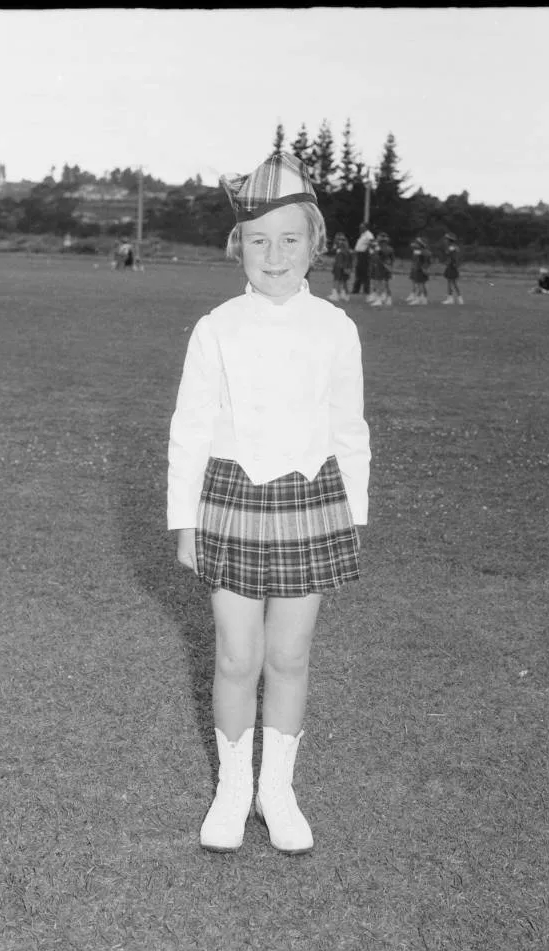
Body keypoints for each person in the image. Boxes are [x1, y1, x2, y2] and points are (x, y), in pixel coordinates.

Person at [167, 151, 371, 856]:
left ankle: (275, 790)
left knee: (288, 656)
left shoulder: (336, 328)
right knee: (235, 656)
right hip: (228, 497)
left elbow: (350, 429)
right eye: (258, 240)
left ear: (316, 246)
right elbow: (189, 429)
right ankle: (231, 789)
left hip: (312, 499)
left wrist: (354, 513)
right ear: (238, 248)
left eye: (290, 240)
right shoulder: (216, 326)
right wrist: (185, 520)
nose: (274, 254)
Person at [371, 232, 395, 306]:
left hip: (383, 268)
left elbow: (388, 259)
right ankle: (385, 298)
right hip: (380, 267)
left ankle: (382, 299)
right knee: (383, 284)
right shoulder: (380, 248)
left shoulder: (385, 248)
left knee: (382, 284)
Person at [328, 232, 353, 302]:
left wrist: (347, 267)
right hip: (341, 266)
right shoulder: (344, 249)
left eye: (341, 239)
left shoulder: (342, 250)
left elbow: (343, 259)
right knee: (342, 281)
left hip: (340, 267)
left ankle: (336, 295)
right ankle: (342, 294)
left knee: (338, 280)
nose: (339, 240)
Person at [351, 222, 374, 295]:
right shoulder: (363, 234)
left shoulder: (369, 235)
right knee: (359, 272)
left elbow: (371, 243)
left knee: (365, 272)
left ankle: (366, 290)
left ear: (366, 227)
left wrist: (368, 253)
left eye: (362, 227)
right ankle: (356, 289)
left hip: (364, 255)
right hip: (360, 254)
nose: (360, 228)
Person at [408, 237, 431, 305]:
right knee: (423, 285)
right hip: (424, 269)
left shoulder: (420, 251)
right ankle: (424, 299)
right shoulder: (426, 251)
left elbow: (417, 259)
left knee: (420, 285)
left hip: (420, 269)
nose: (415, 244)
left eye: (417, 244)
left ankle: (418, 299)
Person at [442, 233, 464, 305]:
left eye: (446, 239)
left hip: (451, 266)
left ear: (449, 240)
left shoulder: (451, 247)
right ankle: (460, 299)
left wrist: (448, 263)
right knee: (454, 283)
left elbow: (450, 256)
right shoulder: (455, 247)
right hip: (454, 266)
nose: (445, 240)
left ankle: (450, 299)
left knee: (450, 282)